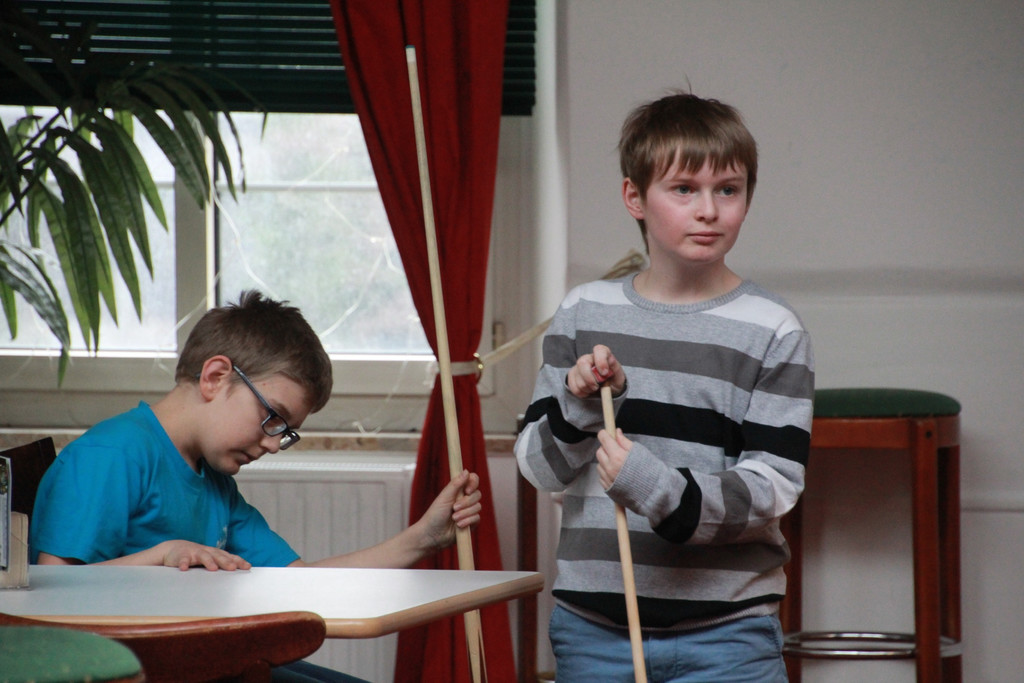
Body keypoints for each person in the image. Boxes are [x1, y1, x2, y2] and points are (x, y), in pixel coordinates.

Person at [514, 92, 814, 682]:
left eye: (728, 190)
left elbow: (774, 486)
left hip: (728, 635)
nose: (709, 210)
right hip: (595, 632)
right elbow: (539, 469)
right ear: (635, 197)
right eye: (683, 189)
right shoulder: (583, 313)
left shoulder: (773, 329)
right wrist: (579, 407)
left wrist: (658, 488)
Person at [31, 290, 483, 682]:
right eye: (272, 417)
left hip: (204, 664)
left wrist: (424, 537)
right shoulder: (111, 455)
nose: (272, 443)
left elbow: (299, 584)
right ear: (215, 377)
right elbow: (52, 601)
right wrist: (161, 555)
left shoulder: (213, 480)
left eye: (284, 431)